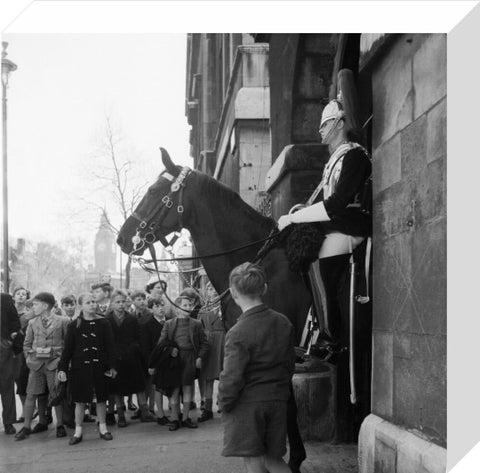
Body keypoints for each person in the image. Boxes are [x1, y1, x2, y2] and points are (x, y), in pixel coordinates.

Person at [277, 96, 371, 359]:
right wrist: (299, 213)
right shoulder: (335, 159)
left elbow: (337, 203)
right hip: (338, 224)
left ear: (339, 123)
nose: (319, 130)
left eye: (325, 124)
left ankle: (331, 338)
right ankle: (315, 325)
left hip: (351, 226)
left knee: (317, 261)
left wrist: (297, 218)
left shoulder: (354, 155)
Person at [219, 262, 296, 473]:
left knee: (253, 461)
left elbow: (231, 377)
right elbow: (289, 365)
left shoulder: (237, 332)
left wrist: (224, 401)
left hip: (247, 405)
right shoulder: (283, 322)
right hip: (277, 399)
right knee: (274, 459)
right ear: (264, 288)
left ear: (233, 293)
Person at [57, 293, 117, 445]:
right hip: (80, 368)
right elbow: (68, 350)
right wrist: (62, 368)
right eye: (89, 302)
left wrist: (112, 366)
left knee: (102, 398)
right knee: (80, 400)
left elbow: (110, 347)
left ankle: (103, 428)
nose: (93, 305)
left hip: (100, 367)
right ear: (81, 305)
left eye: (94, 302)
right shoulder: (74, 325)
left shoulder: (104, 323)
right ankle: (78, 432)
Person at [15, 292, 70, 441]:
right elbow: (26, 344)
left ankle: (60, 425)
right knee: (31, 394)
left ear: (45, 305)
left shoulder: (63, 321)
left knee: (55, 394)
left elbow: (69, 344)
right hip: (36, 365)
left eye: (35, 304)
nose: (33, 307)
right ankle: (26, 427)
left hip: (54, 364)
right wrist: (30, 358)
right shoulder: (33, 323)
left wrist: (61, 360)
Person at [157, 293, 209, 431]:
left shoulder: (196, 324)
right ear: (177, 309)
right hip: (174, 360)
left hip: (190, 358)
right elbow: (161, 343)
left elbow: (204, 343)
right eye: (184, 305)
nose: (188, 308)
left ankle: (186, 418)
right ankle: (175, 418)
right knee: (174, 389)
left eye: (190, 305)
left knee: (187, 388)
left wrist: (199, 357)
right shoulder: (169, 324)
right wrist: (170, 350)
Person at [105, 289, 154, 426]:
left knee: (139, 385)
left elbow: (138, 338)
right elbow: (106, 342)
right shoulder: (107, 320)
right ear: (112, 304)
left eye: (123, 302)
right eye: (117, 302)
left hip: (132, 358)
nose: (121, 305)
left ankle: (145, 412)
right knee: (117, 388)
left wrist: (134, 350)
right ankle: (120, 415)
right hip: (115, 359)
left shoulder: (132, 319)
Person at [198, 282, 225, 422]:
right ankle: (207, 408)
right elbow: (199, 328)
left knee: (223, 375)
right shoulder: (203, 309)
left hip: (222, 341)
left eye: (214, 288)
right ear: (206, 291)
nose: (212, 291)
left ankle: (222, 403)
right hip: (208, 344)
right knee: (207, 377)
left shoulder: (224, 307)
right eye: (209, 288)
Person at [142, 296, 169, 424]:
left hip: (170, 361)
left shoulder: (171, 321)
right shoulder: (148, 325)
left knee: (173, 386)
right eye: (156, 306)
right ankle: (160, 413)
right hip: (157, 362)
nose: (160, 309)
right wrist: (151, 364)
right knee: (157, 388)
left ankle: (175, 412)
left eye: (162, 305)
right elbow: (146, 348)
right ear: (151, 309)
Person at [1, 292, 21, 435]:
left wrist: (9, 341)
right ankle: (8, 423)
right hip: (4, 346)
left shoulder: (4, 299)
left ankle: (8, 423)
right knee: (6, 385)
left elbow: (15, 323)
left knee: (6, 385)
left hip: (3, 347)